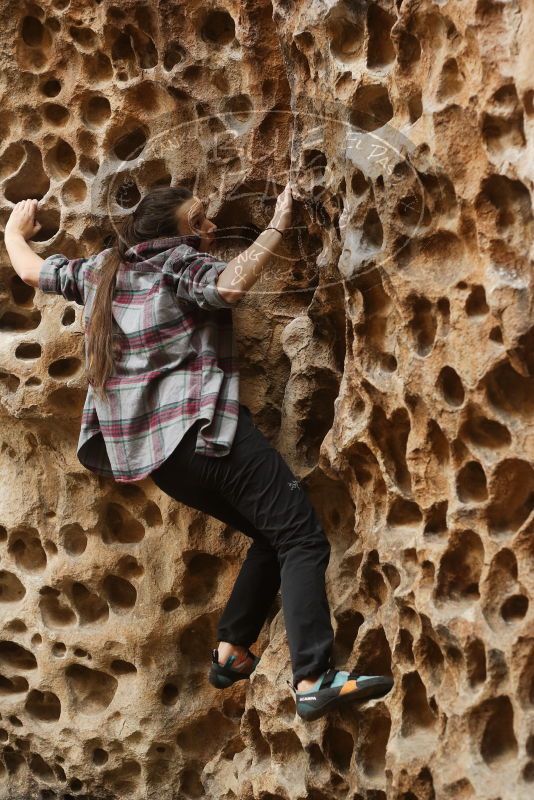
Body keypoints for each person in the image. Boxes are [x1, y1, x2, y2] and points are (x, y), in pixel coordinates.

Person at [5, 185, 393, 721]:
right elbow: (229, 287)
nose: (209, 229)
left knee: (271, 534)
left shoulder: (102, 272)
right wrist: (278, 226)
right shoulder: (177, 262)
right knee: (303, 536)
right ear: (174, 231)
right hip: (208, 434)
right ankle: (313, 678)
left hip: (165, 465)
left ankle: (232, 650)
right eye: (200, 221)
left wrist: (12, 230)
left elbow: (32, 272)